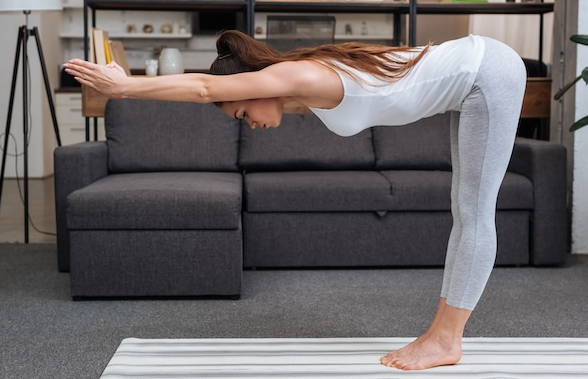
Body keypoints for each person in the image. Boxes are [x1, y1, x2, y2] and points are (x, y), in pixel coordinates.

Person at [63, 29, 526, 370]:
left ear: (255, 85)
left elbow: (205, 89)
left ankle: (445, 340)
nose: (248, 122)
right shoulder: (299, 86)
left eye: (243, 111)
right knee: (464, 211)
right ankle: (441, 335)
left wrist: (123, 88)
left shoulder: (298, 75)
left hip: (486, 72)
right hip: (473, 78)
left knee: (473, 212)